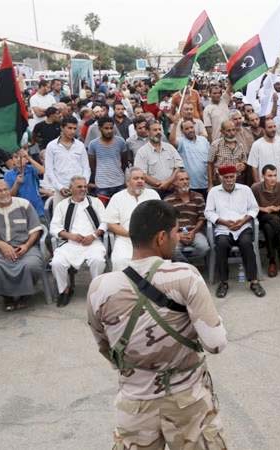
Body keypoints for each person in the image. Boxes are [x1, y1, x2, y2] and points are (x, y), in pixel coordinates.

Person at [87, 200, 228, 450]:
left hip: (135, 403)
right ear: (161, 237)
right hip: (188, 401)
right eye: (175, 232)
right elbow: (215, 344)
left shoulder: (100, 287)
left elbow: (106, 349)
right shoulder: (185, 275)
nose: (178, 237)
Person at [0, 179, 45, 311]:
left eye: (5, 189)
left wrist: (26, 245)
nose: (4, 193)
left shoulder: (23, 204)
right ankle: (7, 297)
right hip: (1, 251)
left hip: (27, 248)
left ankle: (24, 295)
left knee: (31, 265)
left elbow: (35, 229)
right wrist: (1, 245)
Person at [205, 165, 265, 299]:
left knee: (246, 244)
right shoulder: (213, 192)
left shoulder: (245, 190)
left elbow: (254, 209)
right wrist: (224, 222)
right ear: (220, 177)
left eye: (231, 176)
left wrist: (243, 221)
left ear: (236, 176)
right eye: (225, 177)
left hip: (243, 227)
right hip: (223, 228)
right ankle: (223, 282)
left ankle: (254, 282)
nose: (229, 180)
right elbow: (208, 212)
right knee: (221, 245)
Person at [49, 176, 106, 307]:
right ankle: (64, 290)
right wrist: (70, 236)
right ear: (71, 188)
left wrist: (94, 235)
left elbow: (105, 222)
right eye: (79, 186)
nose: (83, 189)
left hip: (93, 242)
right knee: (57, 263)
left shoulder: (95, 202)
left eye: (85, 186)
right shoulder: (62, 205)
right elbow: (54, 227)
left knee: (98, 260)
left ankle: (96, 291)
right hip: (70, 243)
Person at [105, 168, 161, 272]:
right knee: (120, 260)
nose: (140, 181)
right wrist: (130, 234)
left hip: (149, 240)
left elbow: (161, 218)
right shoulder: (117, 197)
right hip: (125, 239)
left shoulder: (153, 195)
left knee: (155, 262)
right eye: (136, 178)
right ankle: (124, 287)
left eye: (142, 178)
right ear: (127, 182)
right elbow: (111, 224)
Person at [251, 165, 280, 277]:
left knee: (270, 227)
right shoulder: (255, 187)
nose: (273, 178)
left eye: (274, 175)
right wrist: (264, 209)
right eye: (269, 176)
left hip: (277, 216)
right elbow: (249, 205)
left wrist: (279, 207)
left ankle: (272, 260)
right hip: (262, 217)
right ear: (263, 176)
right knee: (270, 222)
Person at [164, 170, 209, 264]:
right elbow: (167, 221)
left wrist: (193, 232)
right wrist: (178, 234)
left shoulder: (198, 197)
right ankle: (187, 266)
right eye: (181, 179)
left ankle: (185, 264)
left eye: (187, 179)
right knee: (172, 250)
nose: (185, 182)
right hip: (176, 233)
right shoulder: (168, 200)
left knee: (204, 248)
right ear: (175, 182)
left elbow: (202, 217)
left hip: (195, 232)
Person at [45, 117, 90, 205]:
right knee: (60, 217)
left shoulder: (80, 145)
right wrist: (60, 187)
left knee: (81, 216)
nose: (72, 131)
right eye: (69, 128)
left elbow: (86, 168)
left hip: (80, 190)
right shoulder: (51, 146)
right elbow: (49, 170)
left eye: (74, 128)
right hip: (60, 190)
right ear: (62, 128)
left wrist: (83, 186)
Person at [134, 121, 184, 197]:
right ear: (147, 132)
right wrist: (161, 184)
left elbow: (178, 167)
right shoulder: (142, 152)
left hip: (173, 190)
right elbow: (142, 174)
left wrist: (168, 182)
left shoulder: (170, 148)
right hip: (153, 193)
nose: (158, 132)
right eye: (155, 130)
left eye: (159, 129)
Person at [88, 116, 128, 198]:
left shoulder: (121, 142)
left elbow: (124, 162)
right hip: (102, 184)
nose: (109, 131)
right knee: (102, 209)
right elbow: (92, 165)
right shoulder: (93, 144)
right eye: (106, 128)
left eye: (111, 128)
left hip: (119, 182)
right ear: (100, 128)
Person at [4, 149, 45, 220]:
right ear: (12, 160)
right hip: (20, 210)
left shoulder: (31, 169)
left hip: (37, 208)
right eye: (15, 157)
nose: (18, 159)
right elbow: (10, 195)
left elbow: (42, 171)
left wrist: (28, 157)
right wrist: (17, 183)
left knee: (43, 229)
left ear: (26, 160)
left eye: (22, 157)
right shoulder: (8, 174)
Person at [208, 120, 250, 188]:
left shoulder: (240, 145)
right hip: (220, 180)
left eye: (233, 130)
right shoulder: (216, 145)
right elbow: (210, 164)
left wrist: (242, 165)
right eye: (228, 130)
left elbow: (244, 161)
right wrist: (210, 184)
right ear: (222, 131)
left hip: (237, 179)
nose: (232, 133)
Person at [247, 119, 280, 184]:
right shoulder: (257, 144)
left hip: (279, 180)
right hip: (264, 183)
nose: (273, 129)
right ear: (264, 129)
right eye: (270, 127)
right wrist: (258, 184)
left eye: (274, 126)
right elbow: (254, 167)